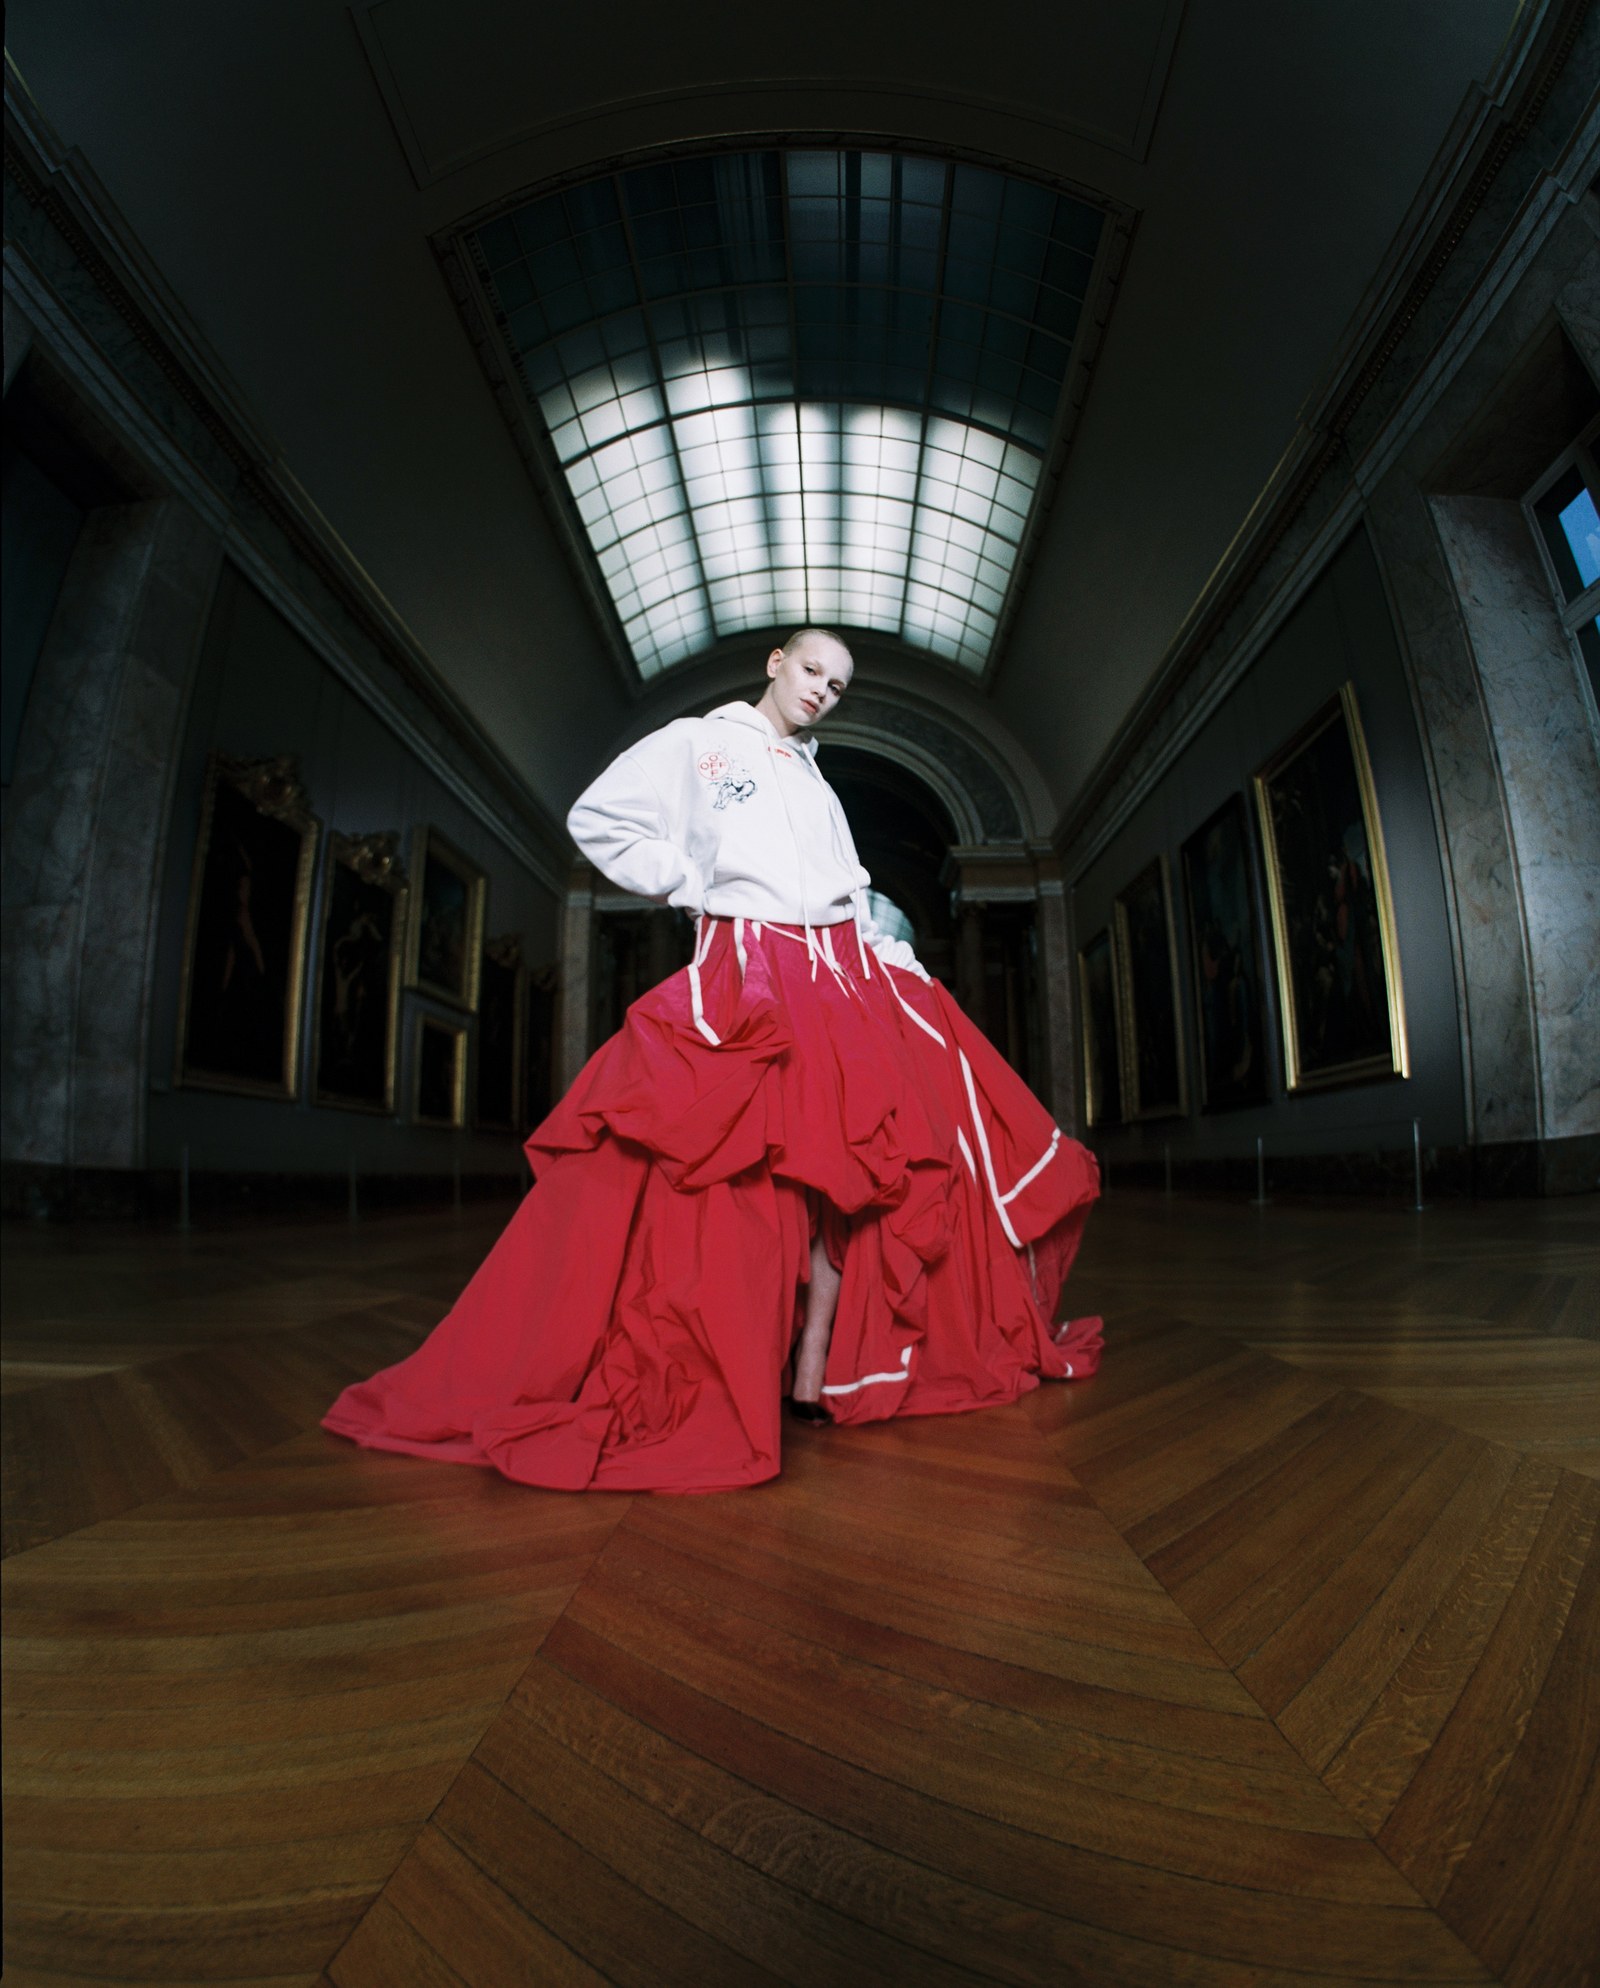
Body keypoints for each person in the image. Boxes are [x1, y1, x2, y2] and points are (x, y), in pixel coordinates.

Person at [323, 629, 1102, 1493]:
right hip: (754, 968)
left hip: (842, 973)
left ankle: (815, 1369)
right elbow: (597, 819)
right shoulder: (696, 743)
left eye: (838, 685)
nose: (822, 691)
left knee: (859, 1172)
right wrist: (692, 884)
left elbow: (844, 885)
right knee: (741, 1179)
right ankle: (726, 1367)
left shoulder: (817, 780)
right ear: (777, 663)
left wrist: (887, 954)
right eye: (812, 670)